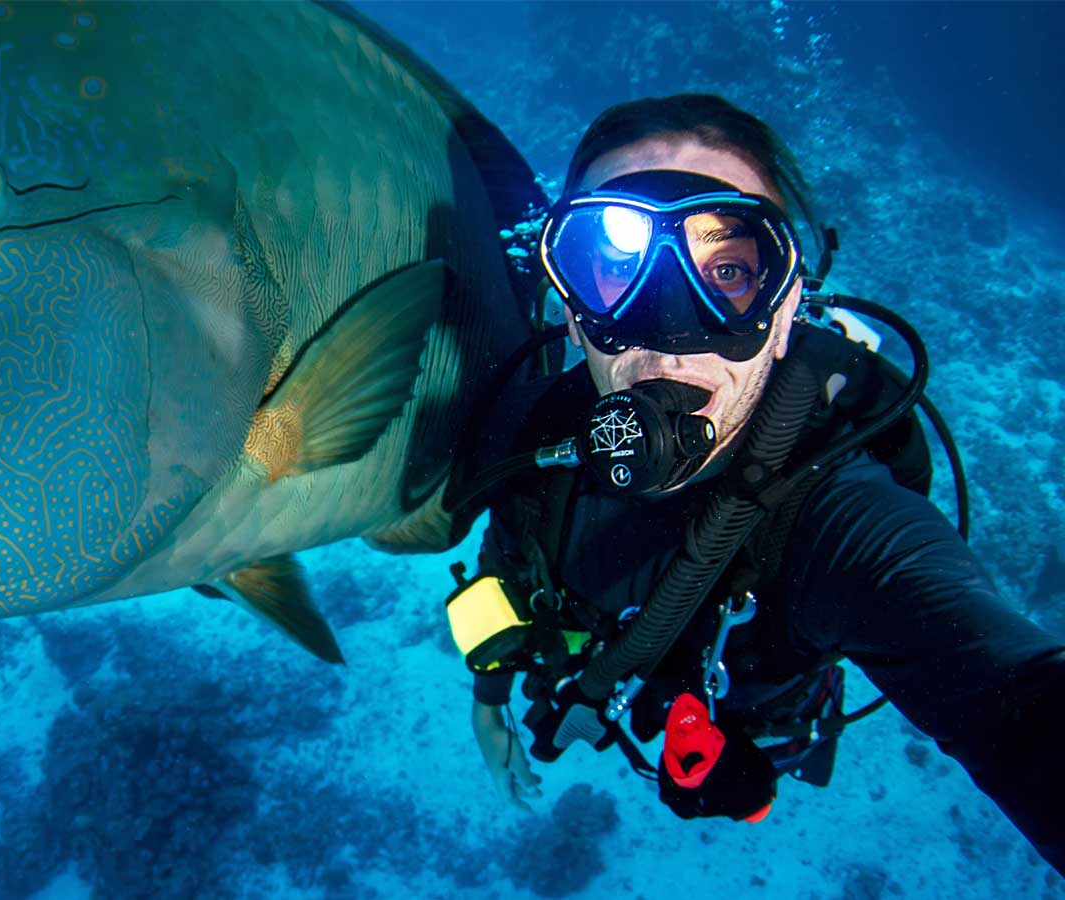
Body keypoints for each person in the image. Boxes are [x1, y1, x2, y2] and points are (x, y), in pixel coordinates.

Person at [444, 93, 1064, 870]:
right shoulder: (536, 438)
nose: (667, 329)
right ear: (570, 310)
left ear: (785, 307)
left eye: (728, 271)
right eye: (615, 267)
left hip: (755, 711)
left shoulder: (840, 518)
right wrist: (490, 693)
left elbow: (1016, 696)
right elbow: (509, 572)